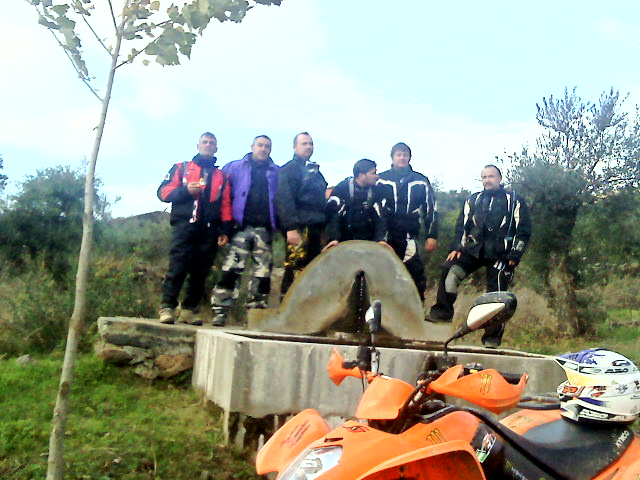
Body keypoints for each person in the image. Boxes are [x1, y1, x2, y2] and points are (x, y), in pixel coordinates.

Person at [427, 164, 532, 348]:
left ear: (499, 178)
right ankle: (443, 312)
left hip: (501, 254)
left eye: (491, 176)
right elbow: (462, 225)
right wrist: (457, 247)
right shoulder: (472, 200)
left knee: (497, 296)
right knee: (449, 269)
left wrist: (516, 253)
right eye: (484, 177)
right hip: (474, 251)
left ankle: (492, 337)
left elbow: (523, 229)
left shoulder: (513, 200)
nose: (487, 180)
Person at [157, 132, 231, 325]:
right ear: (198, 146)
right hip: (184, 226)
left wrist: (224, 230)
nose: (208, 145)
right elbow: (163, 192)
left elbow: (225, 205)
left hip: (209, 230)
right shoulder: (181, 168)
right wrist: (185, 191)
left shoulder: (221, 176)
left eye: (211, 143)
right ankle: (167, 307)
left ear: (216, 148)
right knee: (178, 267)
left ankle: (189, 310)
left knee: (201, 272)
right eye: (204, 142)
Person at [210, 135, 279, 327]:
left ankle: (255, 315)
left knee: (262, 274)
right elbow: (220, 194)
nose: (263, 149)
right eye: (260, 145)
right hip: (239, 228)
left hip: (265, 230)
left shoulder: (276, 172)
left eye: (267, 147)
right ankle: (220, 311)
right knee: (230, 269)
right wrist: (222, 225)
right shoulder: (234, 167)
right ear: (252, 147)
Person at [377, 142, 438, 302]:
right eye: (398, 154)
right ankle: (379, 314)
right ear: (392, 157)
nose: (402, 157)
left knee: (415, 273)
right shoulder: (381, 179)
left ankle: (417, 310)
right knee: (383, 273)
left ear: (410, 157)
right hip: (385, 236)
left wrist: (431, 235)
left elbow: (430, 210)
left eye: (405, 154)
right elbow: (374, 208)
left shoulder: (421, 180)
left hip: (409, 234)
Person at [276, 132, 328, 296]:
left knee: (311, 272)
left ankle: (306, 314)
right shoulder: (288, 170)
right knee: (293, 269)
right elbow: (284, 200)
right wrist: (290, 228)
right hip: (298, 229)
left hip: (316, 229)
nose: (308, 147)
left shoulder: (316, 173)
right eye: (304, 143)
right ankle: (287, 313)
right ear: (295, 147)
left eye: (311, 144)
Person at [324, 158, 386, 249]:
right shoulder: (342, 189)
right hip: (344, 242)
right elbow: (334, 216)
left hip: (369, 242)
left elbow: (380, 217)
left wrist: (380, 239)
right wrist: (334, 238)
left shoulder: (377, 191)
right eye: (373, 173)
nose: (377, 176)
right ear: (361, 175)